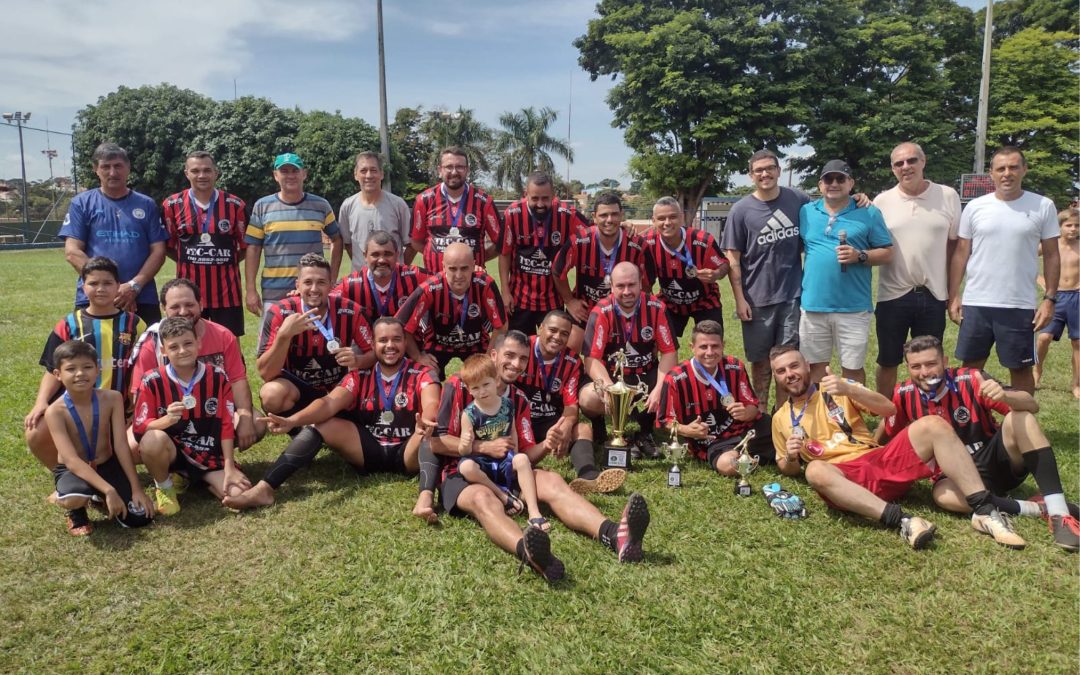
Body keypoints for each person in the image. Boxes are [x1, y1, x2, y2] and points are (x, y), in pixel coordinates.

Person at [431, 331, 652, 582]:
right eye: (510, 356)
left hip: (506, 468)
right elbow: (436, 442)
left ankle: (616, 535)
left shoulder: (518, 400)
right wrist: (481, 448)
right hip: (463, 471)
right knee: (484, 499)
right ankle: (531, 554)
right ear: (494, 355)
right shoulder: (458, 386)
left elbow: (524, 454)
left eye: (523, 359)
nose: (516, 364)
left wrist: (547, 444)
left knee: (553, 481)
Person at [770, 344, 1027, 550]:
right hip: (842, 479)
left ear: (806, 365)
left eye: (794, 365)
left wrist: (849, 389)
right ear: (776, 378)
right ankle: (904, 520)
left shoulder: (836, 388)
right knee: (814, 470)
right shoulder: (780, 418)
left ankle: (984, 510)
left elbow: (888, 409)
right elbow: (786, 466)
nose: (790, 374)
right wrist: (792, 458)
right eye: (781, 371)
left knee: (932, 424)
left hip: (877, 461)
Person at [879, 335, 1079, 551]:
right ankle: (1035, 508)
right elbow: (887, 429)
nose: (924, 372)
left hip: (995, 462)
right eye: (916, 366)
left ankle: (1060, 514)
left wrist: (1005, 396)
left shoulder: (971, 379)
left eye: (931, 364)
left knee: (1020, 417)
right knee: (942, 496)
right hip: (956, 478)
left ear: (945, 362)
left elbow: (1031, 405)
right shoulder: (904, 393)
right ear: (907, 368)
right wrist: (867, 447)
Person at [223, 317, 441, 511]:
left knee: (429, 433)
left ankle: (425, 497)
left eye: (397, 339)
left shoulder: (421, 373)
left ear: (405, 342)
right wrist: (292, 420)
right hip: (369, 449)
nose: (390, 345)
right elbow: (328, 403)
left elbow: (431, 401)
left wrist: (427, 420)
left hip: (408, 450)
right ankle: (265, 489)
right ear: (373, 344)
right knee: (322, 425)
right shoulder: (360, 376)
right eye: (383, 340)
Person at [949, 146, 1060, 394]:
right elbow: (961, 253)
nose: (1007, 173)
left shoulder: (1043, 205)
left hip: (1019, 305)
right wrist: (954, 295)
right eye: (1001, 168)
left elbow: (1052, 254)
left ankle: (1021, 429)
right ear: (991, 174)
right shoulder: (976, 206)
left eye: (1013, 167)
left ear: (1024, 169)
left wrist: (1050, 299)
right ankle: (972, 426)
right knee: (969, 371)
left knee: (1020, 371)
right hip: (977, 303)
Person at [25, 257, 145, 470]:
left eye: (107, 283)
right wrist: (41, 401)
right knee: (36, 430)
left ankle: (112, 466)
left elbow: (144, 371)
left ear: (118, 286)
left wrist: (136, 410)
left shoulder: (135, 324)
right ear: (83, 286)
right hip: (78, 409)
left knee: (133, 450)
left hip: (121, 412)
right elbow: (52, 370)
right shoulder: (68, 325)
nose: (101, 289)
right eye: (93, 283)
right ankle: (65, 475)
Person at [132, 317, 250, 516]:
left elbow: (227, 424)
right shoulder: (152, 380)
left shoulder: (218, 376)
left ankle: (194, 478)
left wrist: (229, 466)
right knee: (152, 440)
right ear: (163, 351)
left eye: (188, 343)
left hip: (208, 454)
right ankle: (165, 486)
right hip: (172, 453)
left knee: (241, 496)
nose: (182, 351)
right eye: (174, 346)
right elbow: (140, 428)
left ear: (198, 344)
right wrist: (166, 420)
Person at [128, 278, 263, 451]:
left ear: (201, 304)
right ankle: (172, 463)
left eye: (189, 304)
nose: (183, 311)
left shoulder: (223, 335)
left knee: (255, 423)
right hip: (170, 416)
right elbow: (138, 394)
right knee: (133, 447)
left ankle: (212, 457)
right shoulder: (152, 341)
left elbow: (237, 380)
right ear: (164, 309)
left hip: (214, 412)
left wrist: (244, 416)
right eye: (175, 307)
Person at [872, 143, 961, 397]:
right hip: (893, 294)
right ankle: (889, 416)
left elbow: (955, 248)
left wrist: (953, 293)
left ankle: (932, 408)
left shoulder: (947, 196)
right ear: (892, 169)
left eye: (911, 161)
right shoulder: (882, 201)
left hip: (933, 293)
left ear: (923, 162)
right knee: (888, 360)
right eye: (899, 163)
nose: (905, 167)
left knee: (929, 361)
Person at [722, 150, 807, 409]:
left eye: (769, 168)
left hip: (791, 295)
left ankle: (783, 414)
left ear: (779, 170)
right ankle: (760, 413)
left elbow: (831, 208)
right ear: (751, 175)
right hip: (756, 298)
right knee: (760, 362)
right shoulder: (741, 210)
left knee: (788, 360)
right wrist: (739, 299)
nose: (765, 173)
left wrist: (859, 199)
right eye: (758, 170)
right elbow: (732, 259)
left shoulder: (798, 200)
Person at [44, 340, 154, 535]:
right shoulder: (55, 411)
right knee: (74, 496)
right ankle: (76, 512)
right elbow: (70, 459)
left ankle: (98, 496)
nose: (80, 373)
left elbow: (120, 445)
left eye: (87, 367)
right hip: (74, 469)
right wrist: (110, 490)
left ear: (97, 370)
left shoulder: (112, 398)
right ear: (58, 375)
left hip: (106, 464)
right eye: (71, 369)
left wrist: (136, 488)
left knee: (141, 518)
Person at [799, 159, 893, 384]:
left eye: (840, 178)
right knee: (815, 367)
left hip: (853, 307)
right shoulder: (806, 212)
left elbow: (888, 253)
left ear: (851, 183)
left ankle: (851, 416)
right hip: (813, 305)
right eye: (828, 179)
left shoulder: (868, 212)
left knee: (852, 369)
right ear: (820, 185)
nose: (834, 183)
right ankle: (821, 416)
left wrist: (860, 256)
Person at [578, 262, 678, 459]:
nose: (626, 291)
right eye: (620, 286)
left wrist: (659, 389)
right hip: (612, 377)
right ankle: (607, 430)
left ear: (641, 283)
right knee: (588, 398)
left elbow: (669, 353)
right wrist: (610, 389)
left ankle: (645, 432)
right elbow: (591, 359)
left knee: (671, 387)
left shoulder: (656, 308)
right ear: (611, 286)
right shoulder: (601, 311)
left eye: (631, 285)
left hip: (645, 376)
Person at [59, 142, 167, 324]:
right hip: (95, 297)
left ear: (128, 168)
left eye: (118, 166)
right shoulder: (81, 203)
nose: (112, 172)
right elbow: (72, 252)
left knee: (147, 351)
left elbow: (158, 251)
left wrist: (134, 286)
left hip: (142, 296)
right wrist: (110, 288)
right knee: (91, 352)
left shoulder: (146, 204)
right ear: (96, 169)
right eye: (105, 167)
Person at [518, 310, 624, 494]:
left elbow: (570, 407)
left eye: (564, 334)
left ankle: (589, 476)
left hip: (549, 422)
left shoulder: (572, 361)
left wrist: (566, 426)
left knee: (583, 429)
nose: (557, 337)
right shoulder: (521, 349)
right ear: (540, 328)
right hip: (518, 421)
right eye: (552, 330)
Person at [244, 153, 343, 347]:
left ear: (304, 174)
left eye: (294, 171)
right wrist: (250, 290)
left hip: (312, 291)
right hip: (274, 291)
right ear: (275, 175)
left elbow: (337, 239)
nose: (290, 175)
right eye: (284, 171)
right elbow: (253, 248)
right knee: (270, 348)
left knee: (312, 346)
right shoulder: (262, 206)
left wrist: (331, 278)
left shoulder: (321, 205)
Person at [257, 253, 374, 417]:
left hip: (337, 390)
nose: (314, 289)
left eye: (321, 282)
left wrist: (358, 360)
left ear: (331, 285)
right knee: (272, 395)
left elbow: (374, 352)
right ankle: (301, 427)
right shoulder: (280, 313)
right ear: (297, 285)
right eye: (307, 282)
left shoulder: (350, 311)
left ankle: (316, 424)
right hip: (297, 389)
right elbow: (266, 373)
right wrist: (284, 336)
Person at [657, 320, 773, 477]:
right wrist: (687, 430)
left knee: (783, 429)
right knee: (728, 466)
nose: (710, 352)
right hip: (712, 440)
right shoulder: (677, 378)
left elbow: (752, 406)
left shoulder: (734, 366)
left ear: (723, 345)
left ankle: (752, 455)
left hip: (746, 430)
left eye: (715, 346)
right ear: (692, 347)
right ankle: (755, 456)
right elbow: (664, 421)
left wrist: (746, 413)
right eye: (703, 347)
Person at [161, 150, 249, 335]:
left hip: (227, 293)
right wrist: (190, 260)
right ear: (186, 173)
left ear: (216, 173)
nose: (201, 175)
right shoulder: (171, 205)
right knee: (186, 341)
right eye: (195, 171)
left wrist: (222, 261)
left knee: (229, 343)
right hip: (187, 295)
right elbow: (168, 247)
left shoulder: (235, 205)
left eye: (207, 170)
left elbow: (245, 247)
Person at [457, 354, 547, 531]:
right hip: (482, 463)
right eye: (476, 388)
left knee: (522, 459)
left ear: (495, 380)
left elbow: (512, 429)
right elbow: (464, 451)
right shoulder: (469, 414)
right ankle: (502, 495)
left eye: (486, 384)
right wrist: (465, 442)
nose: (482, 391)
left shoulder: (507, 405)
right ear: (469, 390)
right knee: (465, 467)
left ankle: (534, 513)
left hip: (504, 459)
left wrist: (514, 454)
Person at [553, 192, 649, 353]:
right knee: (571, 343)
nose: (609, 220)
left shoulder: (637, 245)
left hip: (622, 311)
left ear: (621, 215)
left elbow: (646, 284)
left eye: (614, 214)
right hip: (585, 312)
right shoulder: (580, 241)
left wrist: (639, 314)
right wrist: (569, 301)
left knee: (624, 355)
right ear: (594, 217)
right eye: (604, 215)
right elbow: (557, 271)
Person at [397, 241, 507, 378]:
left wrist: (488, 359)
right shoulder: (430, 288)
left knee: (490, 375)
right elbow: (402, 326)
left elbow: (501, 326)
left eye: (464, 268)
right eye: (453, 269)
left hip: (477, 344)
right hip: (438, 344)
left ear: (473, 265)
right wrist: (418, 357)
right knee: (426, 375)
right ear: (443, 267)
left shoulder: (485, 284)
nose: (459, 275)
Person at [498, 172, 589, 334]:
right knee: (519, 350)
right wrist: (505, 292)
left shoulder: (567, 214)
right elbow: (504, 253)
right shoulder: (513, 214)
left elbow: (595, 232)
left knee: (552, 350)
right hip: (519, 300)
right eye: (535, 198)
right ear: (526, 195)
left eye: (545, 198)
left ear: (553, 196)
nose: (540, 204)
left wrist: (623, 226)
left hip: (553, 301)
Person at [641, 196, 729, 344]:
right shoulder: (647, 243)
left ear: (681, 217)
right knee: (657, 343)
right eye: (661, 218)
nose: (667, 223)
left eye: (673, 217)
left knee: (711, 344)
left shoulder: (702, 240)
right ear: (654, 220)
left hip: (705, 301)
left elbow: (724, 264)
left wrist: (716, 274)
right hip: (670, 302)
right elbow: (644, 280)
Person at [410, 146, 502, 272]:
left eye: (460, 167)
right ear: (440, 170)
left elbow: (499, 243)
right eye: (449, 167)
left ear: (467, 170)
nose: (454, 172)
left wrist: (472, 259)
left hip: (472, 281)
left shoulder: (483, 202)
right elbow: (416, 242)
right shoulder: (424, 200)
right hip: (435, 280)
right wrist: (434, 256)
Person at [332, 231, 430, 325]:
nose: (382, 260)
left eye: (387, 254)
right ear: (365, 256)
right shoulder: (351, 284)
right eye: (375, 254)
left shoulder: (413, 275)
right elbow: (327, 301)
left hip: (404, 339)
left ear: (397, 255)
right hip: (366, 340)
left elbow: (441, 282)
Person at [338, 151, 413, 270]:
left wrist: (397, 268)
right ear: (356, 175)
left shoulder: (398, 205)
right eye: (363, 171)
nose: (368, 176)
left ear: (381, 174)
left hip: (392, 279)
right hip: (361, 282)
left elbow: (411, 245)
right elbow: (348, 244)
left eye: (373, 170)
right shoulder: (347, 206)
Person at [1035, 208, 1079, 397]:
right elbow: (1026, 260)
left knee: (1078, 342)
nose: (1073, 229)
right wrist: (1040, 281)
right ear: (1059, 227)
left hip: (1077, 297)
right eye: (1068, 225)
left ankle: (1076, 383)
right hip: (1056, 297)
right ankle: (1037, 371)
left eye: (1077, 226)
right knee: (1044, 338)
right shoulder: (1050, 246)